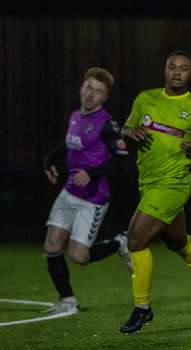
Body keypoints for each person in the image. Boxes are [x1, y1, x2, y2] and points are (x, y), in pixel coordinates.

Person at [119, 50, 191, 334]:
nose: (177, 72)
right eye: (172, 67)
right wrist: (129, 133)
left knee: (135, 240)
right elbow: (126, 127)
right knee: (176, 241)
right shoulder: (145, 98)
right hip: (148, 182)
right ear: (165, 70)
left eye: (183, 68)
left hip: (174, 183)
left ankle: (142, 308)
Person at [42, 67, 131, 314]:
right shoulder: (76, 116)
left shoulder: (107, 124)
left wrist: (91, 173)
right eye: (89, 88)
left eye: (98, 92)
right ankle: (67, 300)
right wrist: (49, 160)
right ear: (82, 88)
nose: (91, 94)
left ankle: (119, 243)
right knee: (51, 246)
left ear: (105, 98)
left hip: (93, 198)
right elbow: (68, 146)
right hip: (68, 193)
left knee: (79, 256)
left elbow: (121, 159)